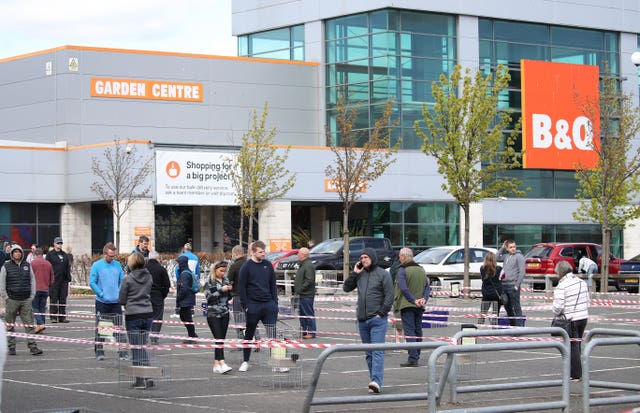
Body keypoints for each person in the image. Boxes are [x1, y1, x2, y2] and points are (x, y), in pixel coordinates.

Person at [343, 248, 393, 394]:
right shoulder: (360, 274)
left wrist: (381, 313)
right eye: (361, 257)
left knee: (377, 351)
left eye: (365, 257)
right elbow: (346, 288)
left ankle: (377, 381)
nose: (363, 260)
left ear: (372, 257)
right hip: (362, 320)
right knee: (369, 353)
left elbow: (389, 296)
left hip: (377, 319)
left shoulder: (383, 274)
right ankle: (373, 380)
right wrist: (354, 273)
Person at [237, 240, 279, 372]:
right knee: (249, 334)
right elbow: (241, 288)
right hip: (253, 305)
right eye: (260, 252)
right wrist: (246, 306)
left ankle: (277, 363)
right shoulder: (246, 267)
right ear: (253, 252)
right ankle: (245, 361)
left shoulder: (268, 265)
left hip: (268, 305)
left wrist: (274, 303)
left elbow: (273, 284)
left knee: (272, 334)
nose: (263, 254)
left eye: (264, 251)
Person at [119, 252, 154, 389]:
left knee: (136, 348)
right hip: (147, 313)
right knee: (142, 346)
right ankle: (145, 376)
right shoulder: (149, 277)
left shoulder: (127, 279)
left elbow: (121, 299)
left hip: (133, 314)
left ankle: (144, 377)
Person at [0, 244, 43, 356]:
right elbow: (2, 283)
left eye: (19, 251)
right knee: (10, 325)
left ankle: (33, 347)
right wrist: (6, 297)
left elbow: (32, 281)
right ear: (12, 254)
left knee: (29, 325)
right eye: (15, 252)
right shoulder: (6, 266)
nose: (17, 253)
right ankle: (11, 347)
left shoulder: (27, 266)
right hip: (12, 300)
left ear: (21, 253)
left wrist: (31, 296)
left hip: (26, 300)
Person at [89, 242, 127, 361]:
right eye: (110, 256)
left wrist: (119, 293)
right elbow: (92, 282)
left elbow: (122, 280)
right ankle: (99, 351)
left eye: (114, 255)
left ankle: (122, 352)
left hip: (115, 302)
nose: (112, 258)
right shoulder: (97, 265)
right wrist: (101, 293)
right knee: (102, 328)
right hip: (102, 302)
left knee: (118, 328)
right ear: (105, 254)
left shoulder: (117, 265)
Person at [552, 260, 589, 381]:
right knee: (577, 344)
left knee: (572, 345)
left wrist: (555, 313)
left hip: (570, 319)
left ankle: (575, 374)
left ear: (560, 273)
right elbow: (587, 299)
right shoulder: (581, 282)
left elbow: (558, 307)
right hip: (583, 316)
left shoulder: (561, 286)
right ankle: (576, 371)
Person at [394, 247, 429, 367]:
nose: (399, 258)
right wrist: (423, 299)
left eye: (400, 256)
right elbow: (427, 287)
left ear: (403, 257)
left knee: (409, 331)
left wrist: (413, 300)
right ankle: (416, 354)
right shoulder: (421, 269)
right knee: (418, 330)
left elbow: (403, 288)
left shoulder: (402, 270)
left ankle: (413, 358)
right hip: (420, 305)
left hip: (407, 304)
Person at [205, 260, 233, 374]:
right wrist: (221, 290)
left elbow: (229, 298)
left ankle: (216, 364)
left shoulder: (226, 280)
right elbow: (210, 298)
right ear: (215, 269)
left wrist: (230, 290)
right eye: (221, 271)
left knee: (221, 339)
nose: (222, 273)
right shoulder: (210, 282)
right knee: (218, 338)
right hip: (213, 314)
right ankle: (222, 361)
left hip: (225, 312)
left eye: (224, 271)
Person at [497, 240, 526, 327]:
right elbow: (496, 257)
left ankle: (519, 328)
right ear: (507, 248)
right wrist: (502, 248)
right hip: (504, 285)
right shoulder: (506, 256)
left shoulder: (519, 257)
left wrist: (517, 285)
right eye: (510, 247)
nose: (513, 249)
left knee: (516, 307)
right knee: (508, 307)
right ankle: (513, 326)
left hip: (513, 286)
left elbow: (522, 272)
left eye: (514, 247)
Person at [145, 250, 171, 344]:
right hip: (157, 295)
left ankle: (144, 336)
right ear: (157, 259)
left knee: (146, 316)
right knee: (157, 316)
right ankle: (154, 337)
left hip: (144, 295)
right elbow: (167, 285)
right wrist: (163, 295)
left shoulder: (143, 268)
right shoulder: (161, 269)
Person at [46, 237, 72, 323]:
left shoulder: (64, 254)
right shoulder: (50, 255)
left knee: (62, 299)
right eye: (58, 243)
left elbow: (67, 266)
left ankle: (62, 317)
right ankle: (53, 317)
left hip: (63, 280)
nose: (59, 245)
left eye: (61, 243)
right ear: (54, 244)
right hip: (54, 280)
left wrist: (68, 277)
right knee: (53, 298)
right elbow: (47, 267)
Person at [227, 245, 249, 343]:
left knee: (239, 319)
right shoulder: (249, 264)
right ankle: (255, 339)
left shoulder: (234, 266)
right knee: (250, 319)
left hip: (238, 295)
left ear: (235, 254)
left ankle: (241, 340)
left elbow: (229, 280)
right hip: (250, 296)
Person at [294, 247, 317, 339]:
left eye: (299, 253)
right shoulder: (303, 264)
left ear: (303, 255)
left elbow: (309, 280)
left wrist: (300, 288)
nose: (297, 255)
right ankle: (304, 330)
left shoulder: (308, 265)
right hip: (302, 294)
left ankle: (311, 332)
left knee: (308, 313)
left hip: (306, 294)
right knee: (302, 314)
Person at [30, 246, 54, 333]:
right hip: (45, 289)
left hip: (35, 289)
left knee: (35, 307)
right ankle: (41, 326)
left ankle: (40, 324)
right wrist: (48, 286)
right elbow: (52, 277)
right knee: (42, 308)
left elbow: (29, 276)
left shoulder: (32, 263)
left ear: (35, 254)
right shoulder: (48, 263)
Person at [176, 255, 199, 342]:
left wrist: (179, 297)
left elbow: (184, 288)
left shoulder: (185, 274)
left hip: (186, 299)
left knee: (187, 318)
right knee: (185, 317)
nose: (177, 265)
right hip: (188, 299)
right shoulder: (187, 272)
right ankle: (192, 335)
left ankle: (192, 335)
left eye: (178, 263)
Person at [479, 252, 503, 325]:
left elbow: (483, 279)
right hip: (496, 294)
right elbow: (501, 279)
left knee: (483, 312)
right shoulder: (499, 269)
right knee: (495, 313)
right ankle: (494, 326)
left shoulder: (482, 269)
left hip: (486, 293)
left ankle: (480, 325)